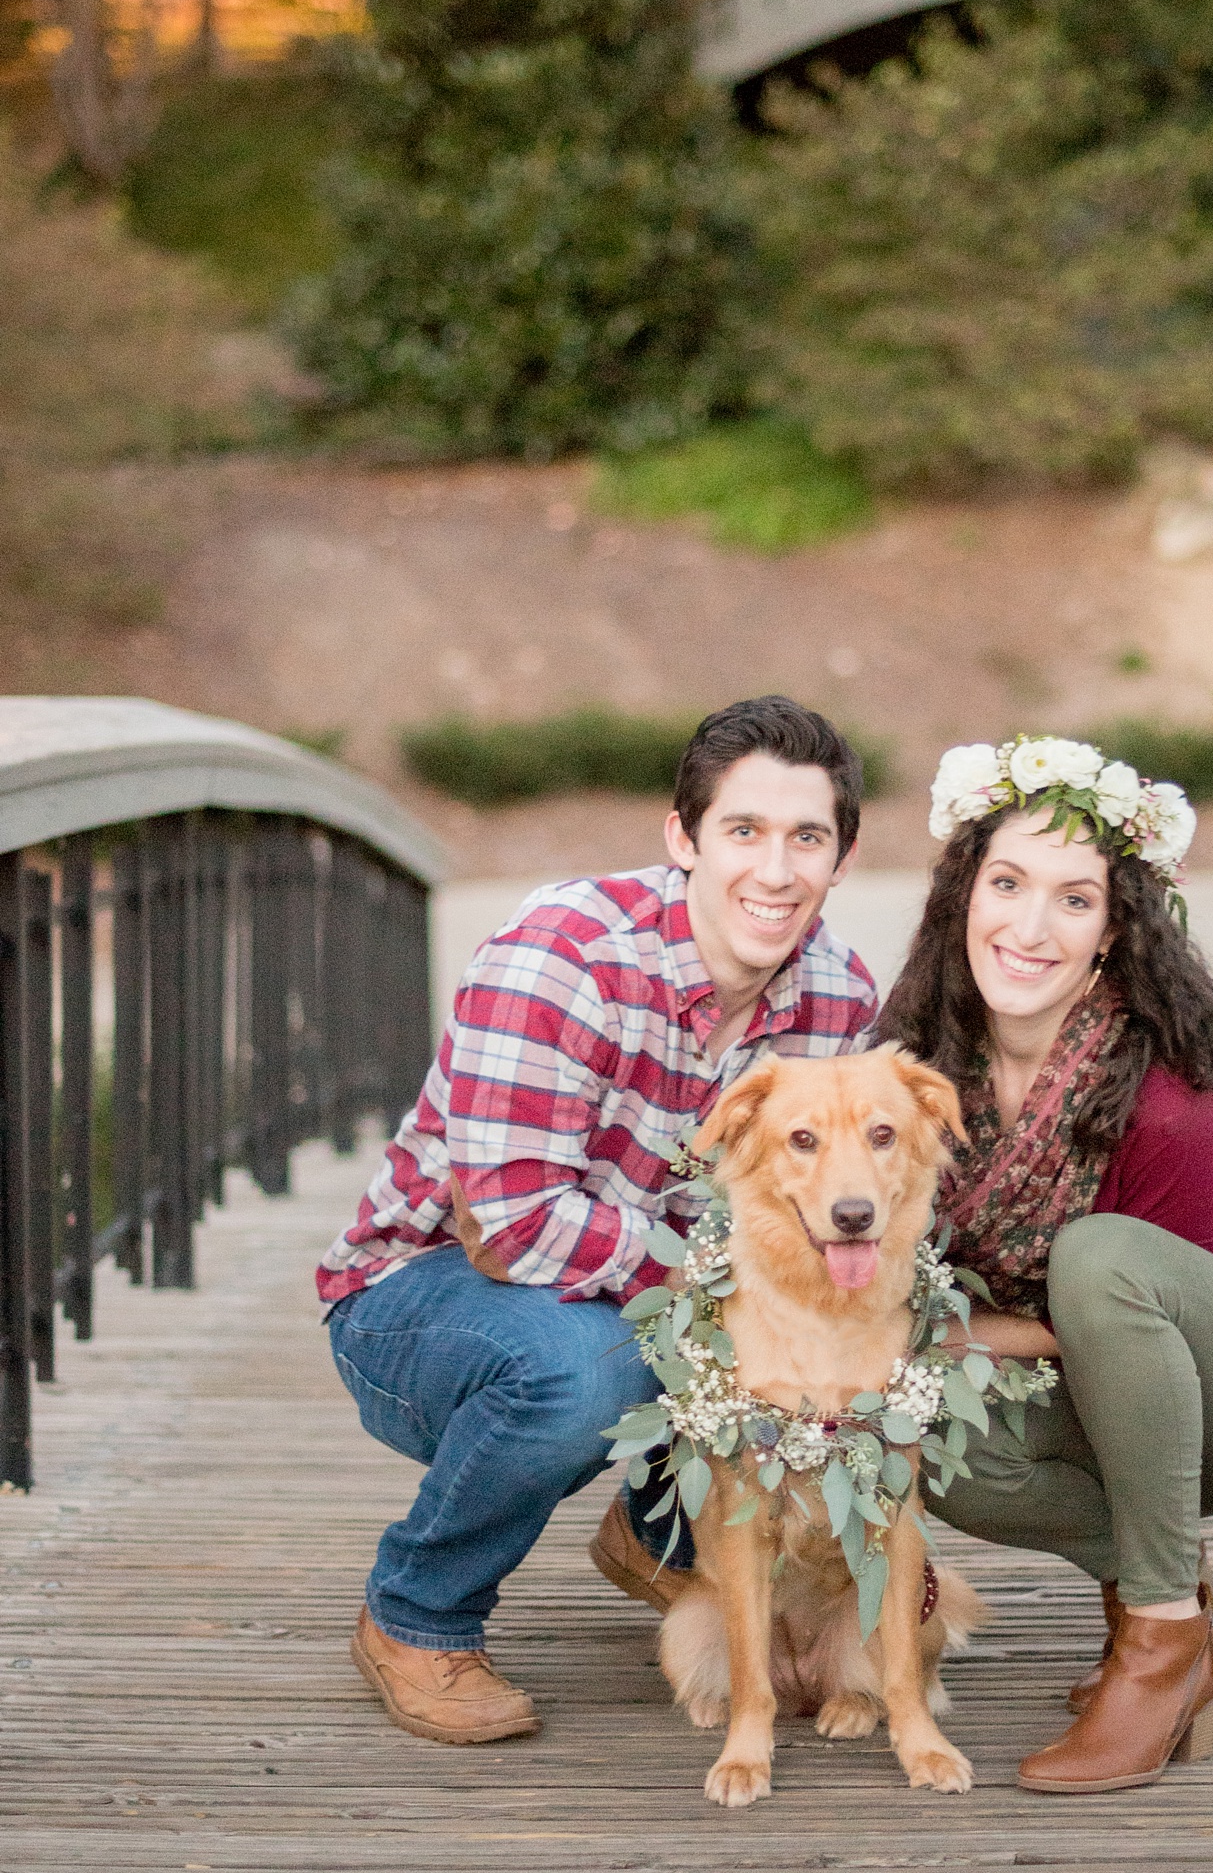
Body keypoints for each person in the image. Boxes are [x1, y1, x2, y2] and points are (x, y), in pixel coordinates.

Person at [317, 697, 878, 1744]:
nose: (775, 868)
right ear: (683, 837)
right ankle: (417, 1613)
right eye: (743, 830)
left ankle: (659, 1533)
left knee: (821, 1314)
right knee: (589, 1365)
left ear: (841, 857)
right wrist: (730, 1283)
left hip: (647, 1292)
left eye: (808, 837)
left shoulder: (836, 1000)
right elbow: (513, 1223)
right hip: (421, 1300)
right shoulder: (564, 957)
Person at [874, 735, 1213, 1796]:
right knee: (936, 1432)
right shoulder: (930, 1074)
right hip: (1120, 1381)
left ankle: (1157, 1638)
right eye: (1006, 882)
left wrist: (961, 1331)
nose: (1026, 925)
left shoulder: (1162, 1097)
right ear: (961, 896)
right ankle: (1182, 1620)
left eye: (1073, 899)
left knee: (1097, 1253)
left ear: (1113, 933)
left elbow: (1141, 1315)